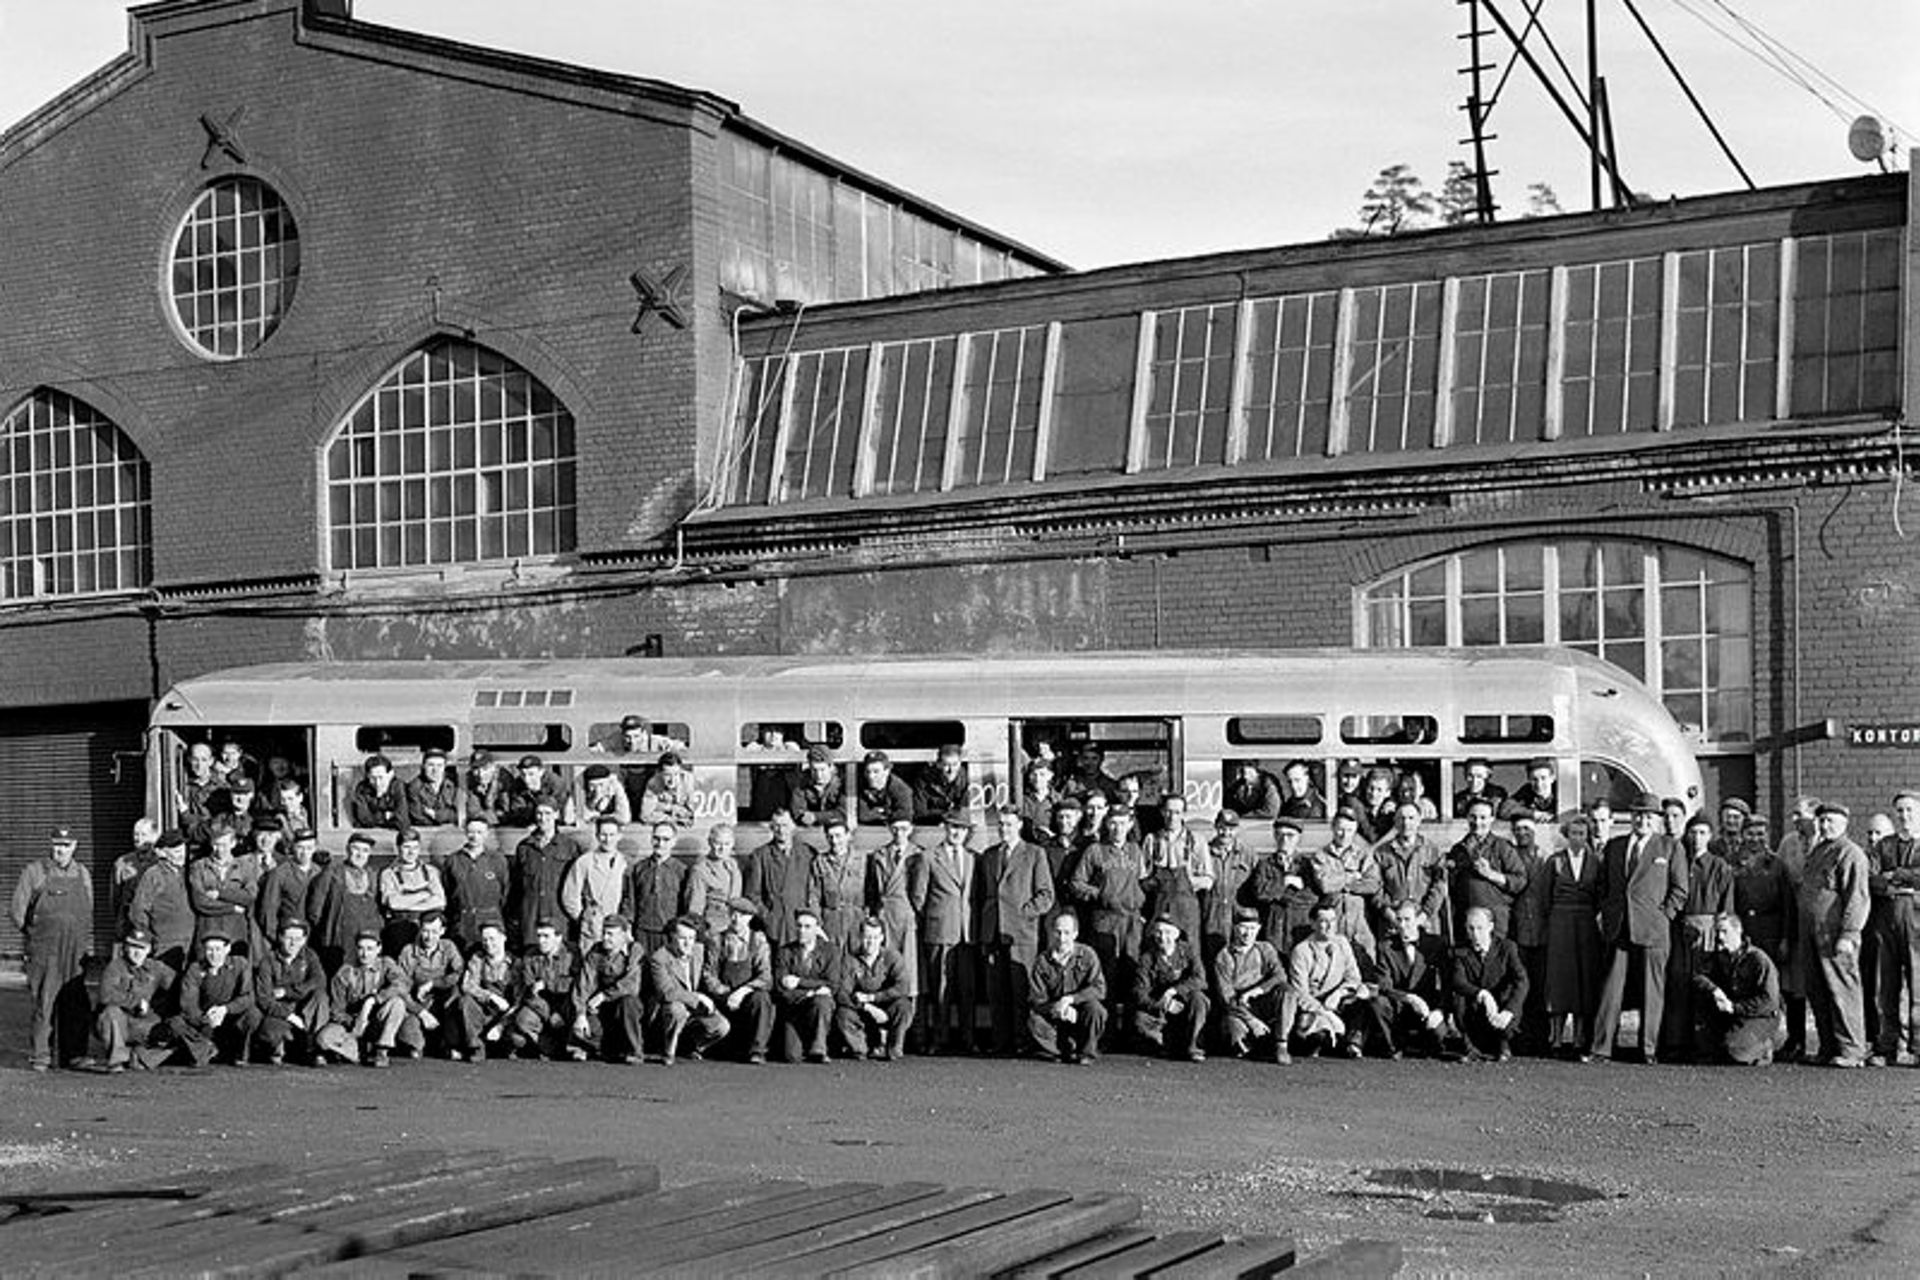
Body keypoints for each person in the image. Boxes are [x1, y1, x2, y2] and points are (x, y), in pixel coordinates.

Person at [1591, 794, 1688, 1064]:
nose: (1642, 820)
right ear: (1630, 817)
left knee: (1652, 990)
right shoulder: (1614, 846)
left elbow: (1680, 890)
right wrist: (1606, 912)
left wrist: (1664, 916)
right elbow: (1602, 885)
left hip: (1653, 928)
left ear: (1656, 820)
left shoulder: (1669, 848)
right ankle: (1601, 1048)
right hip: (1619, 926)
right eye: (1638, 814)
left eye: (1648, 816)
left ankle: (1647, 1049)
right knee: (1611, 989)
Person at [971, 807, 1055, 1056]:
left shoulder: (1034, 854)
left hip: (1021, 932)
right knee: (996, 991)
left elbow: (1046, 895)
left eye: (1009, 824)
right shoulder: (989, 855)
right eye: (1001, 825)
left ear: (1019, 826)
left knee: (1020, 990)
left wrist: (1023, 913)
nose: (1004, 829)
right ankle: (1000, 1041)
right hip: (992, 931)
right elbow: (983, 895)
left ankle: (1022, 1041)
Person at [1798, 802, 1870, 1068]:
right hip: (1811, 934)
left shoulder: (1850, 854)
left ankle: (1852, 1049)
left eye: (1831, 820)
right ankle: (1829, 1047)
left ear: (1844, 823)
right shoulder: (1819, 851)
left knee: (1842, 988)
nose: (1825, 825)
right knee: (1818, 990)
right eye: (1822, 820)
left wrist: (1849, 934)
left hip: (1834, 934)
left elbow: (1857, 897)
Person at [1661, 815, 1737, 1061]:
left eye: (1703, 833)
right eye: (1693, 832)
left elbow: (1726, 907)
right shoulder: (1679, 860)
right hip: (1681, 930)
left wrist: (1720, 933)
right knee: (1678, 985)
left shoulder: (1719, 866)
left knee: (1704, 985)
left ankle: (1704, 1046)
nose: (1697, 838)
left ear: (1711, 836)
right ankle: (1675, 1044)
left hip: (1707, 930)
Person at [913, 811, 977, 1054]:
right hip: (939, 931)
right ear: (945, 828)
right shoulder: (928, 857)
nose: (957, 832)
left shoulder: (973, 858)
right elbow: (918, 897)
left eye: (962, 828)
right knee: (941, 988)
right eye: (953, 827)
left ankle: (968, 1040)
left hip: (967, 933)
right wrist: (934, 920)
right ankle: (939, 1039)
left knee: (967, 990)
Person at [1069, 805, 1147, 1002]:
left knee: (1132, 972)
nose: (1117, 828)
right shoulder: (1095, 850)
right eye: (1113, 823)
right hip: (1105, 920)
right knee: (1106, 974)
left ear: (1129, 825)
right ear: (1107, 824)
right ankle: (1107, 1029)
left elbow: (1142, 881)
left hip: (1131, 921)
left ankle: (1131, 1028)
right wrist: (1101, 894)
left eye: (1122, 823)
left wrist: (1139, 901)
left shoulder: (1135, 851)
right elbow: (1076, 883)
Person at [1544, 812, 1605, 1059]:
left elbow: (1601, 893)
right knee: (1560, 978)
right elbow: (1544, 896)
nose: (1578, 838)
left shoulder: (1596, 861)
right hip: (1560, 923)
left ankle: (1579, 1037)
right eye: (1573, 834)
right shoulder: (1555, 861)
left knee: (1583, 979)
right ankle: (1556, 1037)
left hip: (1586, 924)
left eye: (1582, 834)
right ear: (1566, 836)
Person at [1354, 901, 1448, 1059]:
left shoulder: (1436, 944)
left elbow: (1446, 982)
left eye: (1407, 919)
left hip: (1428, 1007)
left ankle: (1426, 1044)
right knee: (1378, 1002)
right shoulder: (1386, 946)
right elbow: (1384, 985)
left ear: (1418, 920)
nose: (1402, 925)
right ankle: (1394, 1046)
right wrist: (1408, 998)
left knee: (1437, 1037)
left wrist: (1440, 1010)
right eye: (1399, 919)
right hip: (1400, 1005)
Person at [1868, 791, 1920, 1066]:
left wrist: (1896, 875)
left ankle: (1917, 1047)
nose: (1905, 816)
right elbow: (1871, 877)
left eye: (1910, 810)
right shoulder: (1884, 845)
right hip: (1886, 920)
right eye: (1900, 811)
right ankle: (1887, 1046)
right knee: (1886, 986)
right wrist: (1899, 883)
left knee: (1918, 986)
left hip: (1917, 921)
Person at [1692, 913, 1785, 1065]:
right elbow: (1698, 976)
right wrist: (1714, 990)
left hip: (1762, 1017)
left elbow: (1769, 1001)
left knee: (1735, 1051)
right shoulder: (1720, 957)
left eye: (1724, 931)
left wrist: (1735, 1008)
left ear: (1738, 931)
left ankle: (1769, 1045)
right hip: (1736, 1015)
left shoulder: (1758, 960)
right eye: (1717, 932)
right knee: (1707, 1050)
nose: (1719, 937)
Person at [318, 930, 413, 1067]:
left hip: (377, 1022)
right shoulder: (345, 973)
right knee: (323, 1038)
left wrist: (374, 1000)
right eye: (361, 948)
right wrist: (354, 1022)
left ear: (379, 949)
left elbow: (402, 984)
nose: (365, 954)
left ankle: (381, 1051)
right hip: (352, 1026)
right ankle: (358, 1052)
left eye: (370, 949)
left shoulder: (386, 964)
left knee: (397, 1003)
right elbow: (336, 1010)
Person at [1211, 906, 1295, 1062]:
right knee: (1234, 1034)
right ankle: (1256, 1044)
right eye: (1243, 928)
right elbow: (1227, 999)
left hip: (1263, 1004)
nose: (1247, 933)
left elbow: (1280, 975)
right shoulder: (1224, 956)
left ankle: (1281, 1043)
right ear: (1234, 928)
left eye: (1252, 928)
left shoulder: (1265, 949)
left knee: (1287, 992)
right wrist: (1251, 1021)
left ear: (1258, 929)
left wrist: (1258, 990)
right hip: (1239, 1009)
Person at [700, 897, 776, 1064]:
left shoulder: (758, 940)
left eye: (741, 915)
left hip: (747, 999)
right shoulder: (716, 940)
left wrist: (742, 992)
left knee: (762, 999)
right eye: (733, 914)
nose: (735, 918)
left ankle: (757, 1051)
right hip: (723, 998)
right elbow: (708, 975)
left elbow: (765, 977)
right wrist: (725, 992)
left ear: (749, 918)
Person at [167, 934, 259, 1068]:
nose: (214, 954)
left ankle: (239, 1054)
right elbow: (188, 1004)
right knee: (175, 1023)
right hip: (205, 1021)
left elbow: (248, 997)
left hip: (231, 1019)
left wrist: (226, 1009)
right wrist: (206, 1019)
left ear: (227, 949)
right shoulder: (195, 969)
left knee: (253, 1015)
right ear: (204, 950)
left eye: (218, 949)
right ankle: (206, 1050)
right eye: (210, 950)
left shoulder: (240, 964)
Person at [1450, 905, 1529, 1061]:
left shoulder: (1507, 948)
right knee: (1458, 997)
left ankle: (1504, 1045)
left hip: (1501, 1007)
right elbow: (1457, 981)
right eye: (1471, 928)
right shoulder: (1460, 951)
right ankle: (1470, 1047)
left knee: (1511, 995)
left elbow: (1522, 981)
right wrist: (1482, 994)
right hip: (1475, 1007)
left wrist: (1509, 1011)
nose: (1475, 934)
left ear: (1491, 927)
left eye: (1480, 928)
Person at [646, 916, 729, 1064]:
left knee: (722, 1026)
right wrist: (697, 997)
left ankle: (694, 1048)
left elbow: (706, 976)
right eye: (682, 938)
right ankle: (668, 1052)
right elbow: (667, 992)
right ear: (672, 937)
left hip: (694, 1007)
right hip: (667, 1007)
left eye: (691, 938)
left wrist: (724, 991)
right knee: (677, 1010)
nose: (688, 943)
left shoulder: (698, 951)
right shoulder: (659, 958)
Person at [1289, 901, 1366, 1058]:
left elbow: (1354, 977)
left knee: (1363, 1001)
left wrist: (1338, 994)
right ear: (1313, 924)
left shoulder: (1342, 943)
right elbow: (1300, 993)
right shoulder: (1301, 951)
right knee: (1316, 1036)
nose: (1330, 926)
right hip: (1313, 1006)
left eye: (1332, 921)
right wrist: (1327, 1014)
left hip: (1336, 1001)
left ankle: (1352, 1044)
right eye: (1324, 921)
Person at [1027, 912, 1107, 1064]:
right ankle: (1063, 1050)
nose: (1062, 938)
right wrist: (1056, 1008)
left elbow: (1099, 988)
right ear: (1051, 932)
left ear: (1075, 934)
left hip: (1080, 1014)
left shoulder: (1088, 955)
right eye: (1058, 932)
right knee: (1034, 1020)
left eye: (1067, 932)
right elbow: (1037, 1000)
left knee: (1097, 1010)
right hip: (1056, 1018)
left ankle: (1086, 1053)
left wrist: (1071, 1000)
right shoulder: (1042, 961)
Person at [1775, 795, 1821, 1060]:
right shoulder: (1788, 843)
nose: (1794, 820)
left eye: (1799, 815)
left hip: (1817, 921)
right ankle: (1796, 1039)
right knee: (1793, 984)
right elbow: (1782, 878)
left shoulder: (1824, 843)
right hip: (1793, 918)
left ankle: (1827, 1041)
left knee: (1818, 981)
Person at [94, 926, 175, 1073]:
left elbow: (178, 985)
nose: (137, 952)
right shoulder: (115, 967)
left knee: (174, 1034)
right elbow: (105, 994)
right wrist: (135, 1002)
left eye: (141, 948)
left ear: (149, 950)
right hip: (122, 1023)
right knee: (110, 1012)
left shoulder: (156, 968)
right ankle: (117, 1060)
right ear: (125, 947)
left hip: (145, 1023)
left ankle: (136, 1057)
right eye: (133, 947)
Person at [1446, 798, 1528, 942]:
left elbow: (1520, 881)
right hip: (1467, 922)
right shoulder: (1458, 850)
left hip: (1496, 922)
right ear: (1467, 818)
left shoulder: (1502, 847)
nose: (1477, 822)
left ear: (1491, 819)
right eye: (1473, 817)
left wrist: (1491, 875)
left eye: (1483, 817)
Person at [1306, 808, 1381, 962]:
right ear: (1333, 827)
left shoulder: (1363, 855)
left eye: (1349, 830)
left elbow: (1373, 884)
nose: (1344, 835)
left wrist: (1341, 883)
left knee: (1366, 961)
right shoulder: (1320, 856)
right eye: (1340, 829)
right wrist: (1351, 877)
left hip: (1360, 921)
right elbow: (1325, 885)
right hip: (1332, 923)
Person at [1131, 916, 1210, 1062]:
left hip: (1185, 1007)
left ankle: (1194, 1047)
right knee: (1139, 1021)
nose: (1162, 937)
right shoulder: (1147, 958)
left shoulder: (1188, 951)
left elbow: (1200, 980)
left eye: (1167, 932)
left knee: (1199, 999)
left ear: (1176, 934)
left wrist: (1174, 990)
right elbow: (1139, 993)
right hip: (1160, 1011)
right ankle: (1169, 1044)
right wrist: (1164, 1004)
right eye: (1158, 932)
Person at [570, 914, 647, 1064]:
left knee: (629, 1002)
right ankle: (595, 1047)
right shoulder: (596, 952)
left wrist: (604, 996)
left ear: (624, 935)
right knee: (582, 1027)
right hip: (601, 1007)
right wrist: (580, 1013)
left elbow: (631, 984)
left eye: (611, 934)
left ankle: (635, 1051)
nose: (605, 937)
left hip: (627, 1005)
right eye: (604, 933)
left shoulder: (635, 950)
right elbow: (584, 983)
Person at [251, 918, 328, 1066]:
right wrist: (290, 1016)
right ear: (280, 938)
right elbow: (264, 999)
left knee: (320, 996)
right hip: (280, 1012)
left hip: (306, 1010)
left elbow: (319, 981)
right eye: (289, 938)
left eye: (298, 939)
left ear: (304, 940)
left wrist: (287, 992)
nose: (293, 943)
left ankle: (316, 1048)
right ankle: (282, 1047)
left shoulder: (310, 956)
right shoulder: (268, 961)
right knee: (270, 1035)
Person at [1141, 795, 1214, 950]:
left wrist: (1186, 882)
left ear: (1184, 814)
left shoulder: (1196, 840)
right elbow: (1142, 878)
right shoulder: (1152, 840)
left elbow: (1208, 879)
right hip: (1159, 905)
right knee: (1157, 949)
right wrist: (1156, 884)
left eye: (1177, 812)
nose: (1172, 817)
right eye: (1168, 812)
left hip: (1186, 907)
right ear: (1161, 812)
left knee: (1190, 949)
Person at [1508, 816, 1554, 1053]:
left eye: (1526, 828)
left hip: (1543, 930)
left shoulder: (1546, 858)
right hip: (1517, 930)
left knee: (1541, 987)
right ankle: (1519, 1036)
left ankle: (1542, 1039)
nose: (1522, 833)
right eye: (1517, 829)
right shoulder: (1509, 855)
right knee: (1520, 985)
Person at [837, 916, 914, 1060]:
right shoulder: (850, 960)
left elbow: (903, 987)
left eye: (874, 937)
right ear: (860, 937)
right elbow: (842, 992)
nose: (870, 942)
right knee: (843, 1014)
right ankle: (863, 1049)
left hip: (886, 1007)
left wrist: (874, 998)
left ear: (882, 938)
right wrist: (867, 1006)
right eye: (866, 937)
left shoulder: (893, 957)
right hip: (861, 1009)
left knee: (904, 1006)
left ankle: (893, 1048)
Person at [307, 831, 382, 974]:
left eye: (365, 851)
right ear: (347, 849)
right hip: (340, 935)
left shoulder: (372, 875)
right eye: (356, 849)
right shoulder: (332, 873)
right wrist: (325, 930)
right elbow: (315, 908)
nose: (360, 854)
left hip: (366, 934)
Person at [511, 798, 581, 951]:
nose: (542, 818)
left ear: (557, 814)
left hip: (558, 913)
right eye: (539, 813)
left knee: (560, 957)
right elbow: (516, 886)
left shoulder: (569, 847)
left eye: (548, 813)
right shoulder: (524, 847)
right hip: (531, 915)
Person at [1373, 801, 1446, 943]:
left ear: (1419, 820)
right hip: (1393, 920)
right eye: (1401, 818)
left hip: (1425, 920)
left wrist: (1424, 915)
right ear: (1395, 821)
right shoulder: (1382, 853)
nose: (1406, 823)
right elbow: (1376, 887)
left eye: (1411, 818)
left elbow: (1440, 885)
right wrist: (1390, 914)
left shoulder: (1432, 850)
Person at [774, 908, 841, 1063]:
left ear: (817, 929)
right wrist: (811, 992)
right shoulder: (785, 952)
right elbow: (780, 988)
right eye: (799, 926)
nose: (801, 931)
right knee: (792, 1056)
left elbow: (833, 984)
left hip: (817, 1008)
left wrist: (799, 982)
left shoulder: (831, 951)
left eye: (807, 927)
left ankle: (819, 1048)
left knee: (823, 1001)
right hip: (794, 1008)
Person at [866, 818, 922, 1002]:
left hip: (906, 916)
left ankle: (912, 1021)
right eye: (895, 829)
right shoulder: (879, 855)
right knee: (886, 966)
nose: (899, 833)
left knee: (908, 969)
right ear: (889, 828)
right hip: (885, 917)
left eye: (904, 829)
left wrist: (915, 913)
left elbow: (920, 891)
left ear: (911, 829)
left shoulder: (918, 854)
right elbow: (872, 890)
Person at [395, 910, 465, 1057]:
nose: (429, 937)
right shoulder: (408, 952)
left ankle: (451, 1044)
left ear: (442, 931)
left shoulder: (448, 947)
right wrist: (420, 1012)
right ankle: (417, 1044)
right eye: (425, 931)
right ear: (420, 929)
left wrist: (433, 983)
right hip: (417, 1004)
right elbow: (400, 987)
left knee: (455, 996)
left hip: (443, 1003)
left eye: (434, 931)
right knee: (413, 1047)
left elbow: (459, 973)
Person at [506, 919, 577, 1060]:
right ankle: (549, 1047)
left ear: (558, 937)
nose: (541, 941)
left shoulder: (572, 954)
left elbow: (576, 984)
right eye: (538, 936)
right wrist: (549, 1014)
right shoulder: (530, 956)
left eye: (546, 936)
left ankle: (573, 1046)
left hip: (566, 1002)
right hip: (541, 1005)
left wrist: (548, 984)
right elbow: (530, 990)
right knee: (523, 1020)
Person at [742, 810, 812, 951]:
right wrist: (769, 918)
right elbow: (752, 895)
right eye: (777, 826)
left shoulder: (807, 853)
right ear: (771, 828)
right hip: (774, 928)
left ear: (793, 826)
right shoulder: (760, 855)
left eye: (785, 825)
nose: (781, 830)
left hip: (800, 925)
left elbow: (814, 890)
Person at [1245, 817, 1317, 952]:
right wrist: (1284, 882)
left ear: (1298, 838)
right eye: (1280, 835)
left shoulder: (1307, 865)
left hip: (1300, 925)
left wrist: (1276, 894)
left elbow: (1312, 897)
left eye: (1290, 835)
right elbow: (1260, 893)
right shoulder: (1265, 864)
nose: (1284, 840)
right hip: (1273, 926)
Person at [452, 921, 520, 1062]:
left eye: (492, 939)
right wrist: (490, 996)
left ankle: (505, 1047)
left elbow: (519, 1001)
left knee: (517, 1040)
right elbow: (468, 985)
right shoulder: (478, 959)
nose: (488, 944)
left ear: (503, 938)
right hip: (484, 1012)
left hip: (508, 1016)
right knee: (465, 1001)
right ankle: (476, 1047)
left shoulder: (515, 964)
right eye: (485, 940)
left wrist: (501, 1025)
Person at [129, 830, 193, 974]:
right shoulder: (153, 875)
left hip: (187, 943)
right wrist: (149, 938)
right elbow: (138, 910)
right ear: (161, 852)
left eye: (183, 850)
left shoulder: (185, 872)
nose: (182, 855)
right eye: (176, 851)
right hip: (164, 944)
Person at [561, 815, 628, 949]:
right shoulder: (584, 862)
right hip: (592, 926)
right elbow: (569, 896)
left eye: (612, 835)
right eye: (603, 835)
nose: (607, 839)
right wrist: (585, 918)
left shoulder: (624, 863)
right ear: (597, 835)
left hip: (616, 925)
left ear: (619, 836)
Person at [444, 817, 510, 950]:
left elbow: (505, 891)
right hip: (462, 923)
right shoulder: (453, 860)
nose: (475, 836)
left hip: (490, 923)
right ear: (465, 833)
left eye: (479, 832)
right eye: (471, 832)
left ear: (487, 834)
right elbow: (448, 891)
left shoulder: (497, 860)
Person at [378, 829, 446, 955]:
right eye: (406, 847)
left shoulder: (431, 871)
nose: (411, 852)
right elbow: (394, 903)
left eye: (415, 847)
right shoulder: (388, 873)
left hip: (426, 929)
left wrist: (408, 903)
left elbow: (440, 901)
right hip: (400, 928)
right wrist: (424, 895)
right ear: (398, 848)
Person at [807, 814, 868, 951]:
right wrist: (817, 925)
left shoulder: (862, 860)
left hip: (856, 921)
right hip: (830, 922)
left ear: (848, 836)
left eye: (839, 836)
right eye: (830, 837)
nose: (834, 841)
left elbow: (871, 892)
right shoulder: (819, 862)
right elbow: (814, 896)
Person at [1203, 810, 1258, 958]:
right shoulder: (1204, 853)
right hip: (1211, 917)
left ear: (1237, 829)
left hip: (1238, 919)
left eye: (1231, 829)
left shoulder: (1248, 855)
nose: (1226, 833)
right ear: (1215, 826)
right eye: (1222, 827)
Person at [256, 826, 322, 947]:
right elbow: (268, 910)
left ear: (315, 849)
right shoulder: (279, 874)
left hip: (314, 938)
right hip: (288, 936)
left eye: (309, 848)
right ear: (292, 848)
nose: (304, 853)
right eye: (300, 848)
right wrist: (277, 938)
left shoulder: (320, 873)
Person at [630, 821, 688, 955]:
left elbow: (685, 904)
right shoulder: (639, 868)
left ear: (674, 842)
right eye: (656, 838)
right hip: (642, 931)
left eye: (666, 839)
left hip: (669, 932)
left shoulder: (681, 870)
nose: (660, 844)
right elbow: (631, 901)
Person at [683, 822, 744, 940]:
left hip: (734, 927)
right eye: (718, 843)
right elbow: (695, 908)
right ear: (710, 842)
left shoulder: (733, 865)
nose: (722, 848)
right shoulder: (700, 870)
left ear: (732, 844)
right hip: (711, 930)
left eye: (727, 844)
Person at [111, 819, 162, 939]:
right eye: (136, 834)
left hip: (155, 923)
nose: (138, 838)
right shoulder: (122, 863)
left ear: (154, 836)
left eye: (143, 835)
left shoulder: (161, 863)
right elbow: (115, 898)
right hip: (129, 923)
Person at [505, 755, 573, 828]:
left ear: (541, 772)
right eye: (523, 774)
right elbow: (518, 810)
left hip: (557, 816)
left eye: (531, 774)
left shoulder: (556, 783)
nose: (526, 779)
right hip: (532, 820)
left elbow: (554, 808)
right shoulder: (517, 785)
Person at [786, 746, 846, 828]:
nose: (819, 775)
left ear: (831, 767)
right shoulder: (801, 783)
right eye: (814, 770)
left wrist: (816, 817)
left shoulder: (842, 784)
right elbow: (798, 812)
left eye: (822, 770)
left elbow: (842, 813)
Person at [912, 744, 970, 826]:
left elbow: (966, 812)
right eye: (946, 765)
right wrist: (942, 816)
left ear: (960, 763)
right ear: (938, 764)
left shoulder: (968, 780)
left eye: (955, 764)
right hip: (931, 826)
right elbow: (919, 812)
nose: (951, 770)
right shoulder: (924, 781)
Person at [405, 748, 464, 828]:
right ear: (423, 766)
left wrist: (435, 815)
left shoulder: (453, 785)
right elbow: (417, 816)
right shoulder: (414, 787)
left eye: (439, 766)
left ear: (444, 767)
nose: (435, 770)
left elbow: (458, 814)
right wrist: (443, 819)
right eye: (431, 765)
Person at [854, 751, 914, 827]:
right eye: (867, 772)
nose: (871, 776)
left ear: (887, 771)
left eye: (876, 772)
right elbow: (861, 815)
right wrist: (885, 813)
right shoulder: (858, 785)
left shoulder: (901, 789)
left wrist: (875, 814)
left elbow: (904, 816)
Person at [639, 752, 697, 829]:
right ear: (660, 773)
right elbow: (645, 816)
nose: (672, 780)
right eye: (667, 775)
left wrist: (659, 807)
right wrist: (670, 813)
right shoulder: (653, 784)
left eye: (676, 774)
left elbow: (691, 814)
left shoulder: (688, 780)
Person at [349, 755, 406, 830]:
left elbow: (402, 820)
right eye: (373, 778)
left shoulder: (398, 786)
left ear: (390, 775)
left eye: (381, 777)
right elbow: (364, 819)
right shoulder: (362, 788)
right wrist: (387, 816)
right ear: (367, 776)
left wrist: (375, 816)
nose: (377, 783)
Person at [1500, 758, 1559, 823]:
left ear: (1552, 778)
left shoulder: (1562, 790)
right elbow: (1505, 811)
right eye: (1534, 779)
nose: (1539, 784)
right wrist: (1533, 814)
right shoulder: (1526, 791)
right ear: (1529, 780)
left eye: (1543, 778)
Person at [465, 750, 510, 826]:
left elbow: (507, 812)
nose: (481, 774)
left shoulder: (505, 780)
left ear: (494, 767)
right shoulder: (470, 781)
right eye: (476, 769)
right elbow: (473, 811)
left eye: (485, 769)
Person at [1354, 769, 1398, 845]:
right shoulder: (1358, 808)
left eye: (1379, 790)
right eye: (1371, 788)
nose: (1374, 794)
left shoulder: (1393, 813)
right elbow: (1371, 837)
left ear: (1387, 792)